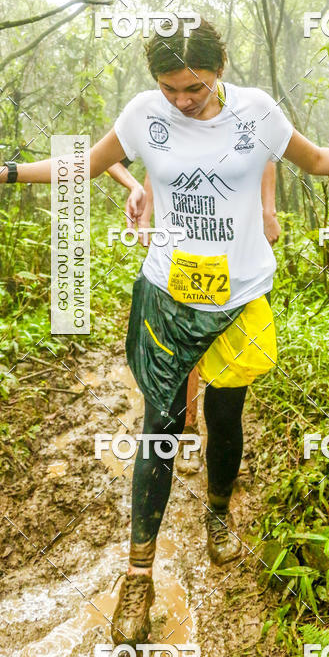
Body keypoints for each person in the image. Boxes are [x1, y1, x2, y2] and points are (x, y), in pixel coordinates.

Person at [0, 17, 329, 647]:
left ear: (219, 69)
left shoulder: (257, 113)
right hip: (168, 292)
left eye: (192, 88)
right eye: (169, 89)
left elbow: (318, 159)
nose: (181, 100)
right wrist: (4, 173)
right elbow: (85, 167)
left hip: (240, 295)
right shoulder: (146, 113)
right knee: (161, 426)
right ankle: (137, 576)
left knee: (226, 416)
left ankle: (218, 513)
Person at [110, 162, 280, 475]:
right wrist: (141, 201)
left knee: (227, 389)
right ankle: (189, 432)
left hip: (237, 257)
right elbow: (120, 157)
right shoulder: (165, 117)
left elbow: (265, 152)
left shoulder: (245, 116)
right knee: (183, 356)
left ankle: (221, 465)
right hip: (181, 255)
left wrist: (267, 210)